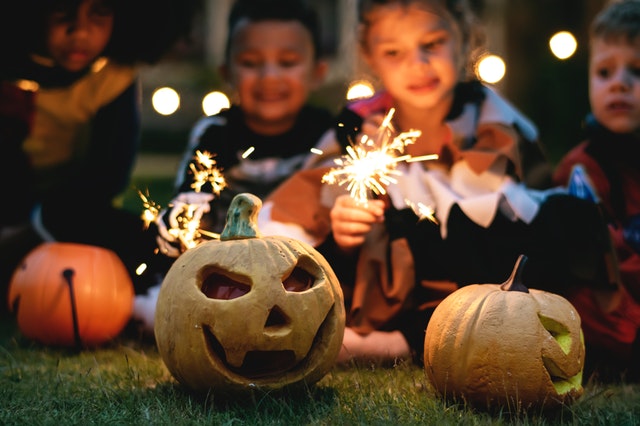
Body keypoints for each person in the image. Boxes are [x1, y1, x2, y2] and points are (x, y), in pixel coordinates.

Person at [261, 0, 617, 365]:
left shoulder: (497, 123)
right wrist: (343, 230)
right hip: (391, 277)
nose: (418, 64)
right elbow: (309, 207)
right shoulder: (355, 131)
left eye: (431, 45)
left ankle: (407, 342)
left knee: (554, 222)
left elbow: (531, 196)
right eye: (393, 52)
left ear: (462, 40)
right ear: (371, 57)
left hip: (479, 270)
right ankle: (387, 336)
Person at [133, 0, 334, 330]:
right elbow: (188, 211)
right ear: (227, 72)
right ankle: (159, 304)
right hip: (223, 267)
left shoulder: (327, 134)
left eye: (287, 62)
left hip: (299, 269)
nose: (270, 77)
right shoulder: (217, 134)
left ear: (318, 72)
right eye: (251, 63)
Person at [0, 0, 199, 317]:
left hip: (70, 215)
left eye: (100, 12)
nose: (80, 31)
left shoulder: (112, 78)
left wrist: (36, 227)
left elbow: (108, 176)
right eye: (61, 10)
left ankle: (169, 292)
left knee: (144, 237)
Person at [553, 0, 640, 382]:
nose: (619, 83)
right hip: (616, 316)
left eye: (637, 71)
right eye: (604, 72)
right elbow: (601, 272)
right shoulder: (582, 170)